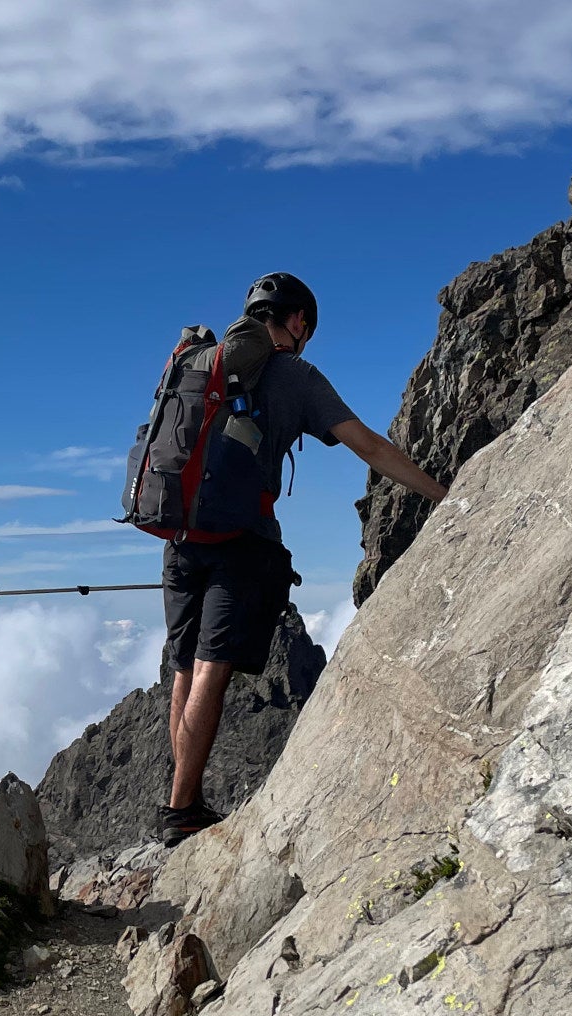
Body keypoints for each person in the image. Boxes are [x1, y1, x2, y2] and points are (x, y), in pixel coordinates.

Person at [160, 272, 447, 847]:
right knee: (212, 668)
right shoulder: (295, 374)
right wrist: (444, 495)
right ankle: (181, 809)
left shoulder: (201, 363)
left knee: (184, 669)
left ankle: (181, 802)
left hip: (180, 535)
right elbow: (366, 444)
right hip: (241, 540)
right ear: (297, 322)